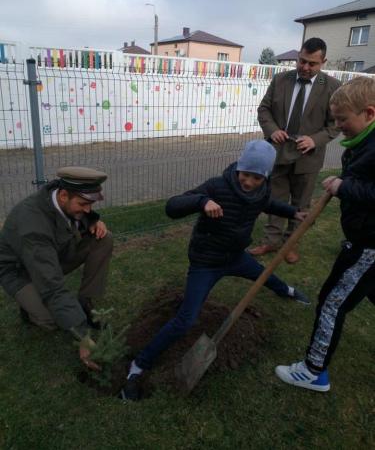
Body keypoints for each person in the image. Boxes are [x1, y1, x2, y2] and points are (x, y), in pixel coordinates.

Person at [120, 140, 310, 401]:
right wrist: (202, 202)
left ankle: (287, 291)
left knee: (263, 275)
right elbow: (172, 207)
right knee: (185, 319)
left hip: (235, 257)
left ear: (264, 177)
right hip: (206, 263)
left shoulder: (261, 190)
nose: (248, 182)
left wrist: (293, 213)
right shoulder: (217, 187)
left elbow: (267, 204)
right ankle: (138, 366)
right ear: (238, 169)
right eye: (245, 175)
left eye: (256, 178)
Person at [275, 76, 375, 392]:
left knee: (332, 302)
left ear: (369, 113)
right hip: (365, 237)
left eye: (343, 119)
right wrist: (346, 181)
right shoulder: (365, 144)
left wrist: (345, 186)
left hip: (369, 244)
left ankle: (314, 371)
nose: (338, 125)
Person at [0, 166, 113, 370]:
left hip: (50, 256)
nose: (88, 209)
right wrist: (82, 336)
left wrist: (93, 221)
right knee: (51, 319)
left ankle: (85, 304)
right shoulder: (33, 225)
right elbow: (52, 285)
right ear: (63, 196)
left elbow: (76, 215)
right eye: (84, 203)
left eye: (91, 204)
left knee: (103, 239)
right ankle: (29, 309)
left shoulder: (61, 198)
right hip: (19, 271)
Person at [250, 38, 341, 264]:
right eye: (302, 61)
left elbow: (336, 123)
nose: (305, 67)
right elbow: (264, 109)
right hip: (279, 153)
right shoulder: (280, 80)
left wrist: (315, 139)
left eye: (312, 63)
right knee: (276, 199)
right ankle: (271, 241)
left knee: (301, 204)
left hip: (308, 158)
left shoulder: (332, 87)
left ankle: (290, 245)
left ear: (323, 62)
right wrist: (272, 130)